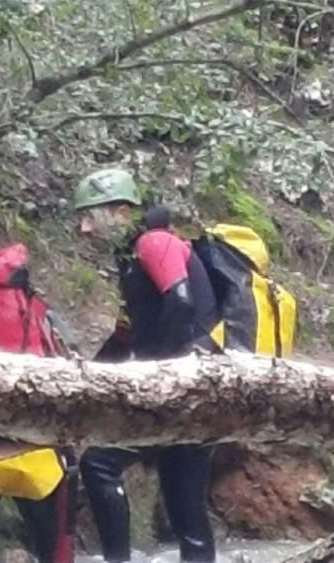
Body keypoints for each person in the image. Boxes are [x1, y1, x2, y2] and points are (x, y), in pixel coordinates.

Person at [71, 168, 220, 562]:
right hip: (196, 385)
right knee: (184, 504)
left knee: (100, 463)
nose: (83, 228)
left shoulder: (154, 243)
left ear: (121, 211)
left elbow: (182, 301)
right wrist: (86, 376)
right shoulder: (133, 258)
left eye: (91, 215)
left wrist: (154, 368)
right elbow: (125, 335)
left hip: (186, 381)